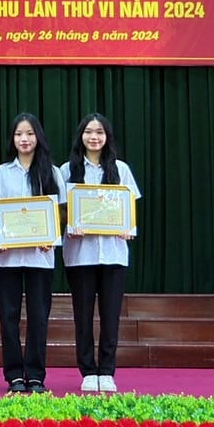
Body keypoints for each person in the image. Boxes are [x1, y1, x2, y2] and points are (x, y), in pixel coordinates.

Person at [61, 113, 142, 393]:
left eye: (99, 132)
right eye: (88, 132)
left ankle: (106, 370)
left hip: (113, 254)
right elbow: (60, 212)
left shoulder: (121, 169)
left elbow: (129, 208)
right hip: (80, 254)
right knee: (82, 316)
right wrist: (69, 226)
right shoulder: (66, 171)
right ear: (80, 136)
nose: (94, 137)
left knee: (110, 315)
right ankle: (87, 370)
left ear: (107, 137)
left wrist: (128, 228)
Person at [0, 112, 65, 394]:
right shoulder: (1, 173)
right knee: (8, 316)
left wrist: (51, 238)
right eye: (19, 134)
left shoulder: (52, 172)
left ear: (38, 137)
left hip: (40, 257)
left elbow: (60, 213)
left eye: (30, 133)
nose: (24, 139)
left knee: (38, 316)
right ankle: (14, 375)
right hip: (6, 258)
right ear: (13, 139)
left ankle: (36, 375)